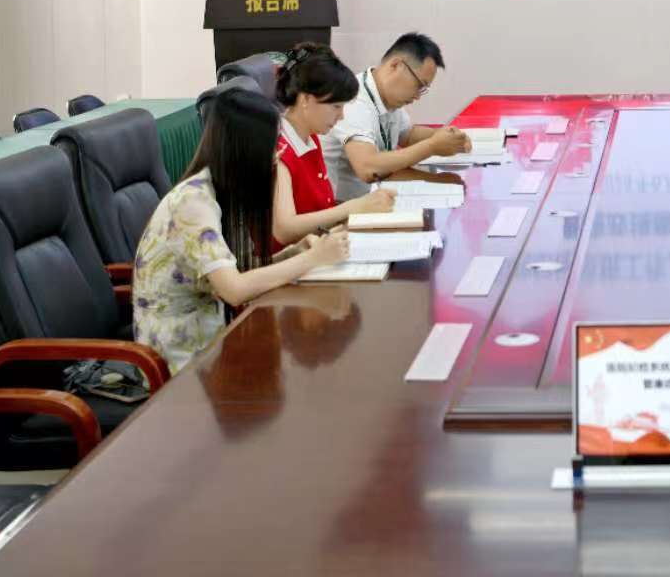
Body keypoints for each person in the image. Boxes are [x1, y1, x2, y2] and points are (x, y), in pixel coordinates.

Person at [134, 84, 352, 374]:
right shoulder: (193, 204)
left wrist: (294, 252)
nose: (277, 155)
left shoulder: (226, 190)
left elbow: (241, 272)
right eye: (272, 147)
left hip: (219, 338)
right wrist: (313, 259)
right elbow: (234, 290)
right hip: (180, 359)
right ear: (247, 150)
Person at [270, 42, 394, 249]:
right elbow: (284, 229)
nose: (341, 116)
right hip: (291, 261)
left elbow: (321, 210)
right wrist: (353, 207)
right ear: (306, 99)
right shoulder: (278, 148)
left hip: (320, 249)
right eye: (336, 106)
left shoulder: (311, 138)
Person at [323, 32, 470, 195]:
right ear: (395, 65)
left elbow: (408, 135)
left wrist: (446, 137)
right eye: (419, 85)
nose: (418, 96)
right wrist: (432, 146)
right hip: (342, 205)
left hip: (375, 196)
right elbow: (368, 168)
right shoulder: (355, 100)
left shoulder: (387, 97)